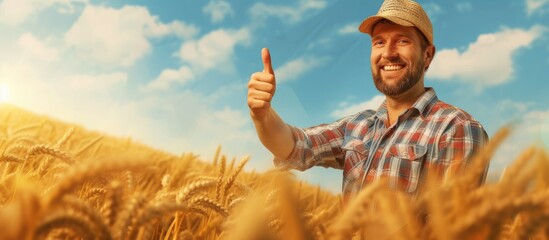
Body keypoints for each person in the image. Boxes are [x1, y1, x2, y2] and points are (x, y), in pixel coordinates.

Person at [247, 0, 488, 203]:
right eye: (379, 42)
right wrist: (262, 115)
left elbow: (454, 227)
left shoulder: (457, 128)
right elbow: (295, 146)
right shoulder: (359, 126)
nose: (388, 53)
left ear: (427, 55)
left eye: (403, 41)